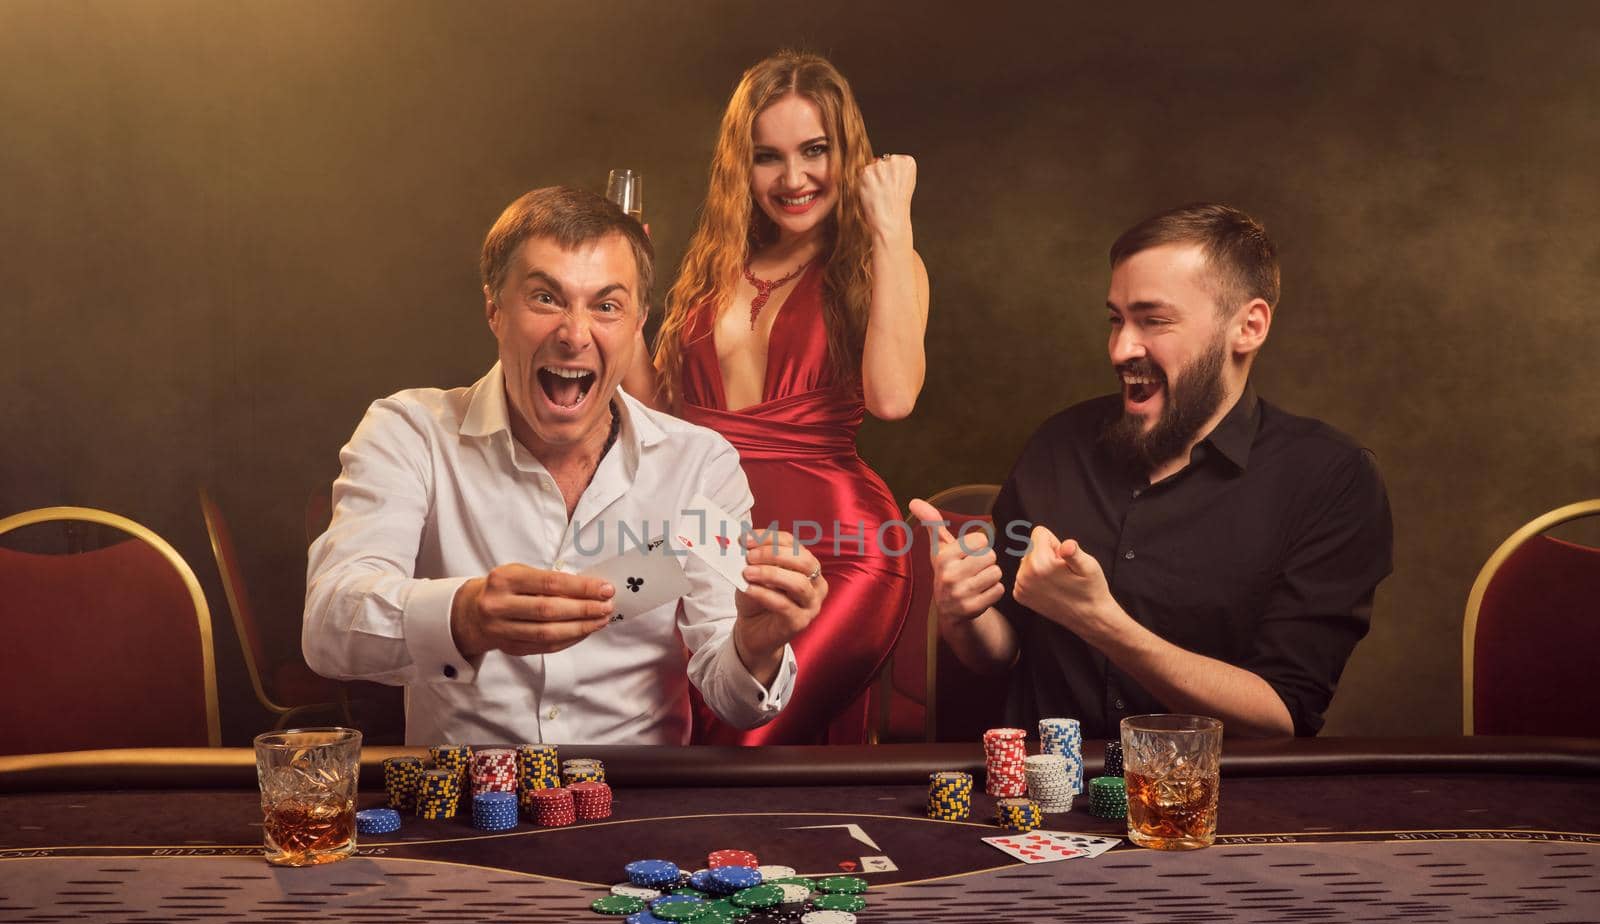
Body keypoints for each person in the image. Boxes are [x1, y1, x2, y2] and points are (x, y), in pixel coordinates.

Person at [303, 186, 826, 745]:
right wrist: (465, 617)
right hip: (469, 809)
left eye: (606, 306)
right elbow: (330, 625)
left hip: (637, 807)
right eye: (546, 299)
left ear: (636, 323)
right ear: (493, 308)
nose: (575, 335)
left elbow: (735, 698)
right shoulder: (410, 432)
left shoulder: (698, 466)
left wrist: (757, 646)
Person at [912, 204, 1392, 739]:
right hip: (1047, 802)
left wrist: (1102, 623)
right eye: (1116, 319)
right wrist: (964, 616)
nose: (1121, 348)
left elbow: (1283, 714)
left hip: (1215, 807)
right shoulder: (1059, 444)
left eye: (1154, 320)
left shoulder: (1330, 478)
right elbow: (1001, 651)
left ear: (1248, 327)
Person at [633, 50, 929, 744]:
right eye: (769, 156)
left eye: (815, 151)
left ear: (846, 151)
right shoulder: (714, 263)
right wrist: (623, 304)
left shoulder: (882, 261)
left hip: (839, 549)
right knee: (670, 735)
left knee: (744, 736)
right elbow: (653, 415)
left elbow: (892, 397)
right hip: (707, 542)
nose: (794, 179)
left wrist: (891, 225)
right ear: (743, 164)